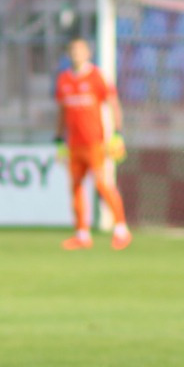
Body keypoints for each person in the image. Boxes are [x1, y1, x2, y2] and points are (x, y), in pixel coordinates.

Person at [54, 38, 131, 251]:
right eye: (72, 50)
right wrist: (59, 139)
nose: (76, 54)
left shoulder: (97, 76)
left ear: (88, 53)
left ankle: (121, 230)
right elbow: (62, 111)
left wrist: (117, 134)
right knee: (76, 187)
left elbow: (113, 104)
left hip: (95, 143)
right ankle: (82, 234)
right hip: (74, 144)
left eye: (80, 50)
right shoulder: (64, 79)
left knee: (103, 185)